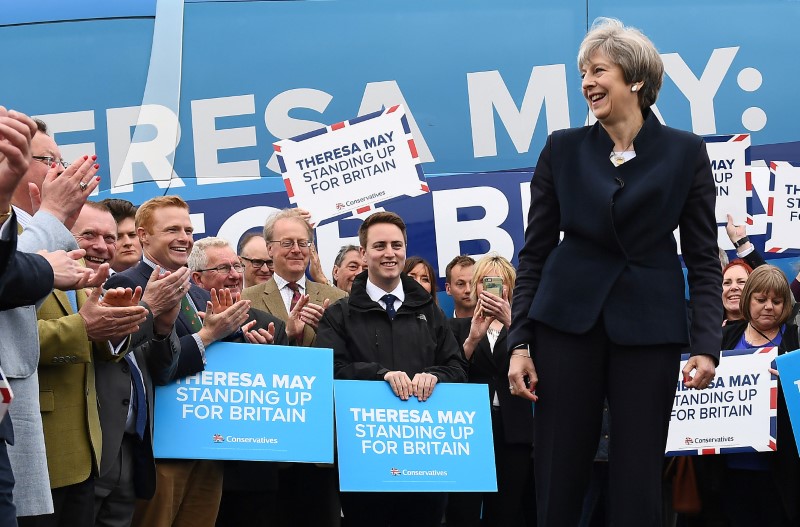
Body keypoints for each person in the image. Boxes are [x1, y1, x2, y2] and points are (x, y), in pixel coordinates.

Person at [507, 18, 722, 527]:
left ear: (636, 81)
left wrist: (707, 345)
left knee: (638, 476)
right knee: (559, 474)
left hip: (649, 330)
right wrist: (520, 342)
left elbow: (703, 258)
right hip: (565, 325)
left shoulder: (684, 152)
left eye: (598, 70)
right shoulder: (562, 148)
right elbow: (533, 254)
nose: (587, 82)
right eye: (583, 73)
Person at [106, 196, 252, 527]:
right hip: (163, 449)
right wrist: (209, 336)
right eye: (172, 229)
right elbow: (153, 369)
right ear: (143, 235)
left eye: (188, 229)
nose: (184, 237)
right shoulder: (127, 286)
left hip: (208, 444)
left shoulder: (199, 294)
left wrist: (244, 341)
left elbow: (219, 359)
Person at [316, 211, 466, 527]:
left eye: (396, 245)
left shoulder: (430, 311)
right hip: (364, 458)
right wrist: (379, 375)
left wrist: (435, 376)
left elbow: (457, 367)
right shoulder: (340, 314)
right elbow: (330, 369)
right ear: (364, 253)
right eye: (380, 245)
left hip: (426, 455)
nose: (389, 253)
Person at [240, 208, 345, 527]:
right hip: (267, 442)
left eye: (304, 242)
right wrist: (288, 333)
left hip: (321, 445)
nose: (297, 249)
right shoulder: (245, 299)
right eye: (287, 242)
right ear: (269, 248)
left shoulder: (338, 299)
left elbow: (348, 361)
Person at [446, 254, 534, 527]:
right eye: (486, 281)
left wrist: (513, 324)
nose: (494, 288)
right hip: (469, 430)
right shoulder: (455, 327)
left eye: (501, 282)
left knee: (507, 510)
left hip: (514, 429)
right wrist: (473, 338)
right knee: (464, 510)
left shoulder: (525, 329)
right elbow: (450, 373)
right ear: (476, 287)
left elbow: (537, 370)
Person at [716, 265, 800, 525]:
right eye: (761, 300)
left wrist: (790, 380)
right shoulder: (724, 336)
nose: (769, 307)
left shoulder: (794, 339)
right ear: (748, 299)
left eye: (776, 301)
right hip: (729, 468)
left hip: (781, 470)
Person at [100, 198, 142, 273]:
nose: (128, 243)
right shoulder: (86, 281)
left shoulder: (162, 275)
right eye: (118, 237)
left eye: (132, 235)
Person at [722, 260, 753, 325]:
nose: (733, 287)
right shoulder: (705, 327)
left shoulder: (769, 329)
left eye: (741, 282)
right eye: (727, 283)